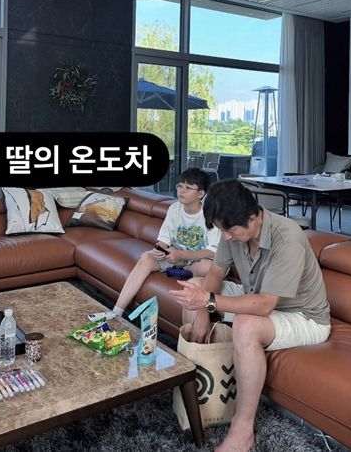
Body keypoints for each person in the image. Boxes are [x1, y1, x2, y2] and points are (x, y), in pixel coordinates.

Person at [170, 180, 331, 452]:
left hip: (305, 317)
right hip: (258, 297)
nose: (226, 237)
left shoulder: (287, 237)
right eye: (222, 230)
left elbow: (265, 304)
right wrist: (202, 312)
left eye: (230, 231)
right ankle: (201, 392)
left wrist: (209, 302)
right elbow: (216, 273)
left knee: (245, 325)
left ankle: (242, 430)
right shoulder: (232, 230)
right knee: (194, 287)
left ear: (253, 218)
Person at [94, 167, 220, 321]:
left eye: (188, 188)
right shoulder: (174, 209)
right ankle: (116, 312)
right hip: (174, 256)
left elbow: (212, 251)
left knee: (208, 267)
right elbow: (163, 240)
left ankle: (182, 270)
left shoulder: (209, 214)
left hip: (195, 261)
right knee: (147, 258)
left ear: (200, 193)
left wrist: (182, 255)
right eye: (180, 186)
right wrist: (159, 250)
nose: (181, 191)